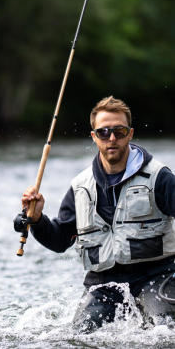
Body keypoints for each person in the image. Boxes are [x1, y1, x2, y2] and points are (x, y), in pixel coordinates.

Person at [14, 96, 175, 331]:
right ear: (94, 137)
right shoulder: (80, 186)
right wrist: (37, 220)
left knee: (165, 329)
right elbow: (60, 241)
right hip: (103, 284)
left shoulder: (160, 178)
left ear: (130, 134)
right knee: (79, 335)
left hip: (157, 276)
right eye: (104, 132)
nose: (112, 139)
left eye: (119, 132)